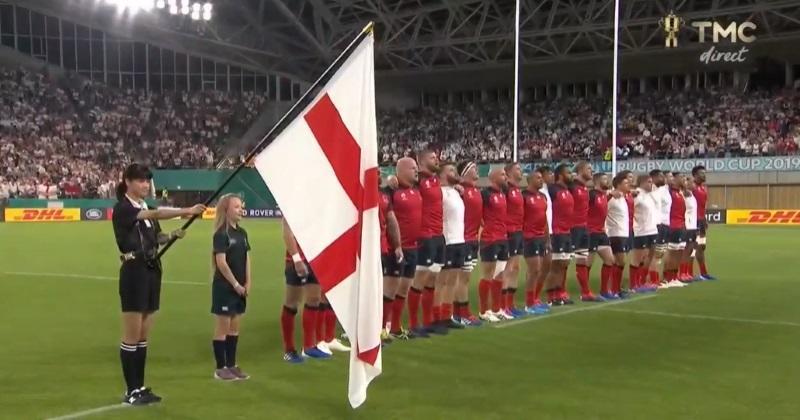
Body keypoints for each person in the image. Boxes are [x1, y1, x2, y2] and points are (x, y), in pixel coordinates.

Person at [112, 163, 205, 405]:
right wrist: (187, 210)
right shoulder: (123, 208)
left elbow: (157, 237)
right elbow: (154, 214)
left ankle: (140, 387)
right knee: (132, 335)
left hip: (152, 271)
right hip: (134, 272)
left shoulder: (145, 208)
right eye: (141, 180)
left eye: (147, 181)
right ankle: (131, 390)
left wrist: (172, 235)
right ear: (128, 182)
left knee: (143, 336)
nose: (145, 185)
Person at [210, 194, 251, 381]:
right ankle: (220, 368)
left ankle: (232, 365)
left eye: (241, 206)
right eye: (236, 207)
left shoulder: (242, 233)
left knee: (234, 328)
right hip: (225, 288)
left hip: (240, 289)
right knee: (223, 328)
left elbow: (246, 258)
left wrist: (247, 282)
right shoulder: (221, 234)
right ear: (226, 210)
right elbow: (221, 263)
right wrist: (235, 284)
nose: (240, 209)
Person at [280, 219, 331, 363]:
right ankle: (289, 350)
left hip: (314, 258)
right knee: (292, 302)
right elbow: (287, 232)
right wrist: (296, 259)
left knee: (314, 299)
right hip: (296, 261)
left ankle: (309, 346)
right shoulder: (292, 203)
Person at [412, 149, 447, 335]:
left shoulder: (435, 180)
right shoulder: (419, 180)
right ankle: (413, 323)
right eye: (433, 158)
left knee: (432, 280)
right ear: (423, 161)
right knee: (420, 279)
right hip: (425, 235)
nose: (437, 160)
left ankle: (428, 320)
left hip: (438, 235)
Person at [388, 158, 424, 339]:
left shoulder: (416, 191)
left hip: (413, 248)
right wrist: (388, 180)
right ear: (400, 171)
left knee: (404, 290)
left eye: (417, 168)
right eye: (412, 168)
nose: (416, 171)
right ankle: (382, 328)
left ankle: (395, 327)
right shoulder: (392, 192)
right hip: (396, 248)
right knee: (391, 290)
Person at [453, 161, 482, 326]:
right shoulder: (459, 190)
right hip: (462, 239)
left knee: (464, 278)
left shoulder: (476, 190)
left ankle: (458, 313)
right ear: (464, 172)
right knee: (461, 279)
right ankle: (462, 314)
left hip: (472, 240)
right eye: (473, 168)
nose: (477, 170)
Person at [478, 168, 509, 322]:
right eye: (503, 174)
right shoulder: (485, 194)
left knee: (499, 274)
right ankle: (484, 311)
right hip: (490, 239)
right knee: (487, 275)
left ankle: (497, 309)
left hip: (503, 238)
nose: (506, 177)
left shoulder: (503, 194)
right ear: (494, 178)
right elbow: (477, 214)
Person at [569, 161, 603, 302]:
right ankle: (557, 293)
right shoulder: (572, 186)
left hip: (584, 228)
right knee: (562, 263)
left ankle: (585, 292)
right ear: (580, 170)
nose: (592, 170)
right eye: (589, 168)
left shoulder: (584, 189)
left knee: (582, 260)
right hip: (572, 228)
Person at [438, 163, 467, 330]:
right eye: (450, 170)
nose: (454, 172)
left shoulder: (456, 191)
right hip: (447, 241)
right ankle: (437, 317)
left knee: (452, 282)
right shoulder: (439, 192)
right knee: (442, 282)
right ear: (441, 174)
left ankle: (446, 315)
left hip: (459, 241)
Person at [544, 164, 575, 306]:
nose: (572, 175)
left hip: (567, 232)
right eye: (569, 173)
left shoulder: (568, 190)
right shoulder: (553, 190)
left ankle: (559, 293)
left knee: (563, 265)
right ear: (561, 175)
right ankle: (551, 296)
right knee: (555, 266)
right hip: (557, 233)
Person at [522, 169, 551, 315]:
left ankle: (533, 300)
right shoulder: (524, 196)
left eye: (542, 178)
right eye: (538, 178)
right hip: (529, 237)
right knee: (534, 270)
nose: (541, 180)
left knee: (539, 270)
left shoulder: (542, 197)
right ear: (530, 180)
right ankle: (529, 303)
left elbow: (544, 219)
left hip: (541, 237)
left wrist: (547, 239)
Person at [379, 175, 404, 342]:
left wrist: (397, 245)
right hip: (362, 250)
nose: (378, 173)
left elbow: (391, 221)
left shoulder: (383, 195)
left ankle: (380, 329)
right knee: (361, 291)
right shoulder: (358, 192)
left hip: (382, 249)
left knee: (380, 290)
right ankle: (353, 330)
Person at [588, 173, 618, 300]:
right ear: (597, 181)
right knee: (587, 264)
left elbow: (607, 198)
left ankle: (604, 291)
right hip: (590, 232)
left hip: (601, 232)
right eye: (605, 179)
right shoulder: (592, 195)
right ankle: (585, 291)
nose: (608, 181)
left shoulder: (603, 196)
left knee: (610, 260)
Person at [502, 162, 526, 317]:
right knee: (508, 269)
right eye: (518, 169)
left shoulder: (517, 190)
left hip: (519, 231)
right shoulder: (506, 189)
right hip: (509, 232)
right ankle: (503, 305)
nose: (521, 171)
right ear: (509, 173)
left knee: (515, 268)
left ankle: (511, 304)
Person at [631, 175, 659, 293]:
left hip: (652, 230)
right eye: (648, 182)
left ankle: (641, 281)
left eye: (651, 182)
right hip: (641, 231)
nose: (651, 184)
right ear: (641, 183)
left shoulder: (650, 196)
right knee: (638, 258)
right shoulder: (637, 195)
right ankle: (634, 284)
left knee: (648, 257)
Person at [605, 172, 631, 298]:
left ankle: (616, 289)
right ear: (618, 185)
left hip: (623, 233)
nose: (629, 184)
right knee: (619, 261)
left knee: (620, 262)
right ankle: (612, 289)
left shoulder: (623, 197)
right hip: (615, 233)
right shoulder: (612, 197)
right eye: (626, 183)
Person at [663, 172, 688, 287]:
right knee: (672, 252)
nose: (684, 179)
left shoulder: (680, 192)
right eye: (682, 177)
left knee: (679, 252)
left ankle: (674, 277)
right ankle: (666, 278)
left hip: (682, 225)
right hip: (673, 226)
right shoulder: (670, 192)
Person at [692, 165, 716, 280]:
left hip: (701, 221)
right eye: (702, 173)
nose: (704, 175)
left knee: (702, 246)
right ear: (695, 175)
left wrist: (704, 218)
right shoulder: (692, 187)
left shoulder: (703, 188)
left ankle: (703, 273)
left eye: (705, 173)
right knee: (693, 247)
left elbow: (703, 205)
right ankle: (686, 273)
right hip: (693, 221)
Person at [679, 177, 699, 282]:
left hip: (693, 226)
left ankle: (686, 272)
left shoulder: (692, 195)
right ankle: (681, 273)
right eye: (692, 182)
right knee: (685, 251)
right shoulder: (684, 195)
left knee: (690, 249)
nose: (694, 184)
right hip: (687, 225)